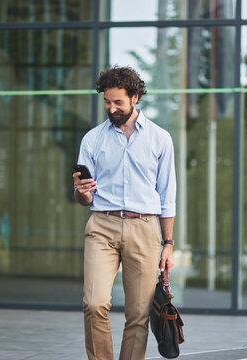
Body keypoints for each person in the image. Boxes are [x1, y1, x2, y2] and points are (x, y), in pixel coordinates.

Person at [72, 66, 176, 360]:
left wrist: (168, 244)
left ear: (135, 97)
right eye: (107, 102)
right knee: (94, 304)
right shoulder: (92, 139)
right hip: (101, 226)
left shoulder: (160, 139)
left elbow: (168, 197)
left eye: (118, 102)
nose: (111, 108)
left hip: (144, 228)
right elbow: (84, 196)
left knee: (138, 315)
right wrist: (81, 193)